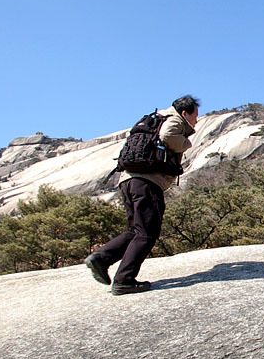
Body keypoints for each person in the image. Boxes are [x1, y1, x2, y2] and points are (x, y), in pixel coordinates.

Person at [85, 95, 199, 295]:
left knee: (136, 230)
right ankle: (124, 279)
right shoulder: (172, 121)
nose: (196, 120)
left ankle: (101, 258)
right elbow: (169, 136)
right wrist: (186, 144)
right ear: (184, 113)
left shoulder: (154, 118)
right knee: (147, 233)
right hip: (147, 182)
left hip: (128, 181)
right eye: (195, 116)